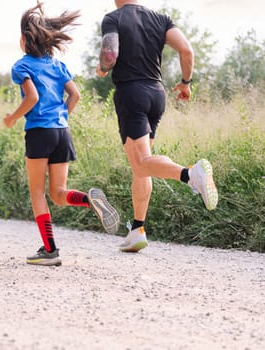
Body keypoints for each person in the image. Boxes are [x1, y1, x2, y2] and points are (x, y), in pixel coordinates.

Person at [95, 0, 218, 253]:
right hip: (156, 93)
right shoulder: (161, 19)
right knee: (143, 166)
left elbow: (110, 54)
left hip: (131, 92)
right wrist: (185, 83)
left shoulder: (113, 18)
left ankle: (190, 174)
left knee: (141, 163)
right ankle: (137, 230)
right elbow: (187, 51)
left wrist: (102, 68)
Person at [4, 2, 120, 266]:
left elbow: (31, 97)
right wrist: (62, 116)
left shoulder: (22, 66)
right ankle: (89, 201)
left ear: (24, 40)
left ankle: (50, 250)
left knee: (37, 192)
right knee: (59, 193)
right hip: (62, 132)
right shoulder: (57, 65)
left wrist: (12, 117)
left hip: (38, 132)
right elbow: (75, 94)